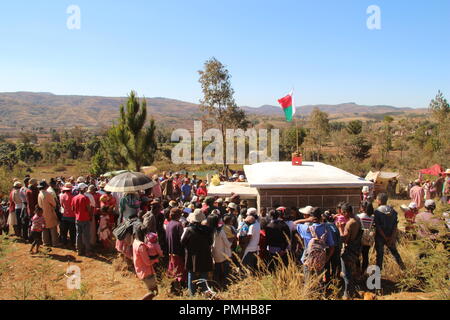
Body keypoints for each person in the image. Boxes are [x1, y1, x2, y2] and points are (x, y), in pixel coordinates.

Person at [180, 209, 213, 296]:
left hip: (192, 255)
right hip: (205, 255)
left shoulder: (189, 230)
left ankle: (192, 295)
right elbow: (210, 242)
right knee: (204, 274)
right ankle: (205, 293)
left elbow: (182, 242)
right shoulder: (208, 230)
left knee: (191, 274)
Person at [297, 207, 335, 280]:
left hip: (307, 260)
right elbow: (332, 247)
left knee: (308, 283)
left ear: (311, 217)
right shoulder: (326, 228)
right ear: (320, 216)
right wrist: (326, 259)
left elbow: (294, 223)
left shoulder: (306, 228)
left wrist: (307, 219)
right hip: (320, 261)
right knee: (318, 282)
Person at [337, 203, 363, 299]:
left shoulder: (349, 223)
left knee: (345, 273)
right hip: (356, 249)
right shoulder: (357, 219)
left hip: (349, 251)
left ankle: (347, 294)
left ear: (346, 212)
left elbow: (344, 239)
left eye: (343, 213)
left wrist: (340, 227)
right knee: (351, 272)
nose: (342, 215)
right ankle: (353, 291)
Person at [374, 193, 405, 271]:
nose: (376, 201)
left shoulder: (377, 212)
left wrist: (385, 237)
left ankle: (378, 273)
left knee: (380, 256)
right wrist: (392, 237)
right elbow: (395, 226)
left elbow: (378, 227)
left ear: (379, 201)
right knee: (395, 253)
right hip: (391, 236)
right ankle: (404, 269)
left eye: (377, 199)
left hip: (380, 237)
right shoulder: (393, 211)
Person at [133, 225, 160, 300]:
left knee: (152, 291)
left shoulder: (135, 241)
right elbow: (147, 262)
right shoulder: (141, 246)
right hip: (146, 271)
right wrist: (156, 258)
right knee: (154, 292)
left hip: (140, 269)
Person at [209, 213, 232, 290]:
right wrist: (232, 242)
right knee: (223, 271)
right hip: (222, 254)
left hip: (213, 254)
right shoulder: (220, 231)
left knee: (215, 271)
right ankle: (223, 286)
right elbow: (227, 244)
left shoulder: (208, 231)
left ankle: (215, 286)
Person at [165, 208, 187, 289]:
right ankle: (178, 289)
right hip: (178, 252)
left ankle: (172, 288)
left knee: (172, 270)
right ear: (179, 215)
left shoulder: (169, 224)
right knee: (179, 271)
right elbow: (182, 239)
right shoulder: (178, 225)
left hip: (170, 251)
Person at [72, 183, 93, 256]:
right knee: (86, 235)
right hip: (85, 218)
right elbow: (88, 208)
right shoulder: (85, 198)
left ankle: (79, 250)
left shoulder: (74, 198)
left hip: (77, 218)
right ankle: (87, 251)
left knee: (78, 235)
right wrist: (90, 216)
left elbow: (73, 209)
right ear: (84, 189)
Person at [37, 181, 60, 248]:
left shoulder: (40, 194)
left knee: (44, 227)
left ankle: (45, 242)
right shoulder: (48, 194)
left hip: (43, 212)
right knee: (53, 227)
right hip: (49, 211)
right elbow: (54, 203)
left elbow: (39, 205)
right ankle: (55, 242)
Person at [357, 201, 375, 274]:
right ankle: (363, 271)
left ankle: (357, 271)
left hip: (360, 238)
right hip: (368, 238)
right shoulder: (372, 217)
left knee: (357, 255)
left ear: (362, 208)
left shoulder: (359, 216)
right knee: (365, 255)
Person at [59, 183, 76, 248]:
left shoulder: (62, 196)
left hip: (65, 215)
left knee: (64, 231)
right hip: (72, 216)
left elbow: (62, 205)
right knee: (72, 231)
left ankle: (64, 243)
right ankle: (72, 244)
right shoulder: (73, 197)